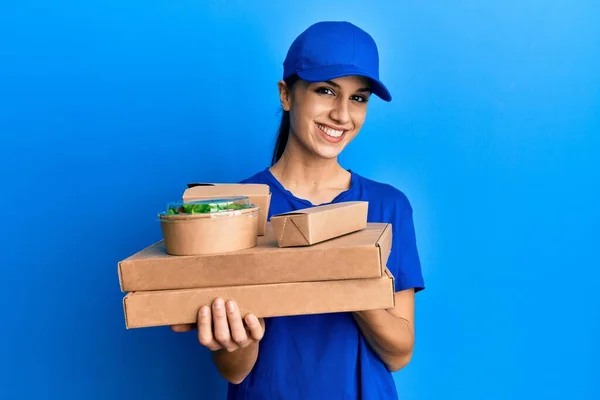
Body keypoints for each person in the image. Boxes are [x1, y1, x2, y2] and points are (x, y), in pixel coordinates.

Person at [172, 21, 425, 399]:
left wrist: (347, 275)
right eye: (326, 90)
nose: (342, 114)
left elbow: (399, 352)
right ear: (286, 95)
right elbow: (236, 370)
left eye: (359, 98)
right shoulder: (238, 208)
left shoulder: (389, 206)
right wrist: (230, 339)